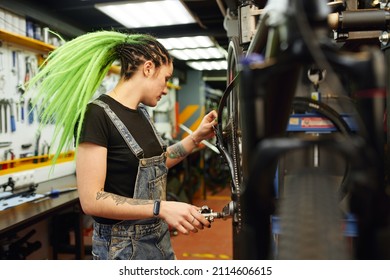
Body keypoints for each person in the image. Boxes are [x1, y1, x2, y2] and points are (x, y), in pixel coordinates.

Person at [26, 30, 218, 260]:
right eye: (165, 78)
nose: (166, 88)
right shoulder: (97, 115)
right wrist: (162, 208)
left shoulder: (143, 115)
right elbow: (91, 200)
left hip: (158, 241)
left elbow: (157, 163)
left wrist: (196, 137)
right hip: (122, 250)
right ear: (148, 68)